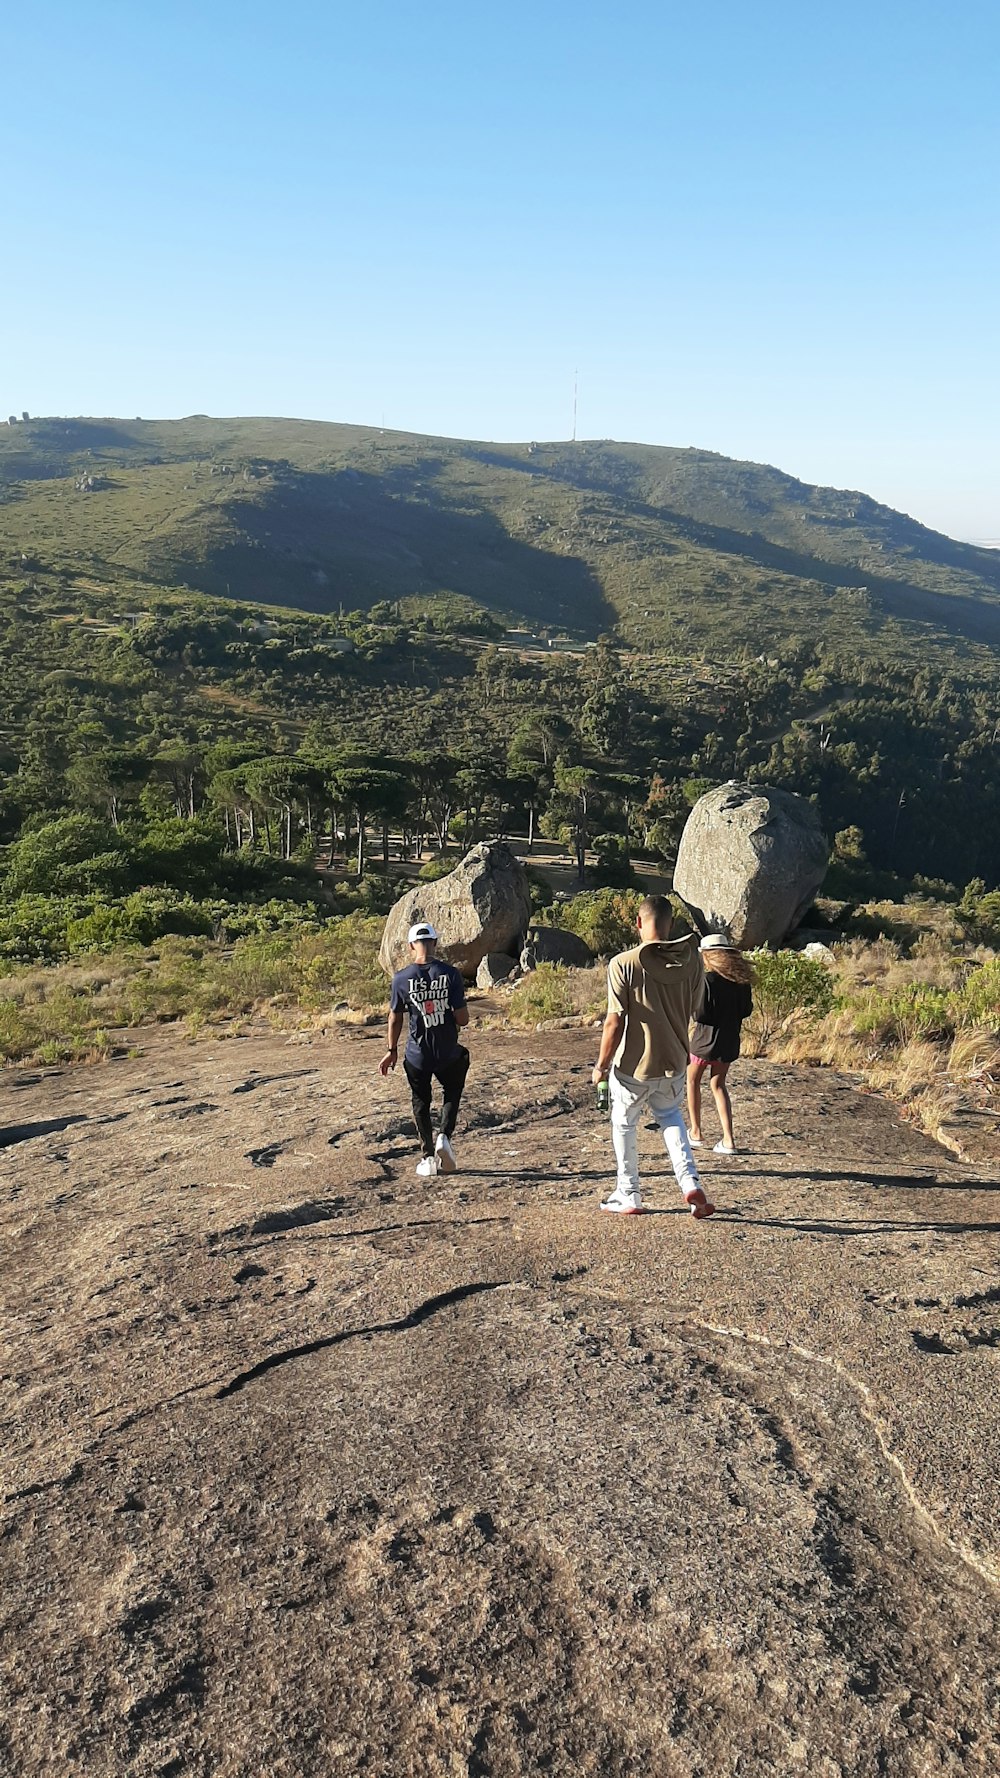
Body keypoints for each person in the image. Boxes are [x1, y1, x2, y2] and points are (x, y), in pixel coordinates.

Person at [592, 895, 714, 1219]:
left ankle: (628, 1193)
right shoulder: (692, 962)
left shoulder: (623, 963)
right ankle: (690, 1183)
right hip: (675, 1060)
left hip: (634, 1066)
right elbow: (696, 1007)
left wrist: (601, 1067)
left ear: (638, 923)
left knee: (623, 1122)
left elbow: (613, 1022)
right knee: (671, 1117)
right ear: (671, 924)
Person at [379, 922, 470, 1178]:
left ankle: (428, 1157)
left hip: (417, 1053)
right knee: (452, 1090)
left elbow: (395, 1017)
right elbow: (462, 1019)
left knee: (421, 1102)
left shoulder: (401, 979)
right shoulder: (451, 974)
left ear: (411, 947)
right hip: (448, 1051)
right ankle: (444, 1136)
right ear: (435, 943)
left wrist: (391, 1050)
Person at [687, 934, 754, 1155]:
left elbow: (700, 1014)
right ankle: (728, 1140)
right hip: (729, 1041)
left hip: (704, 1042)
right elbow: (746, 1010)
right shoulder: (740, 981)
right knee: (718, 1085)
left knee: (692, 1080)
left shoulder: (707, 980)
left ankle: (696, 1132)